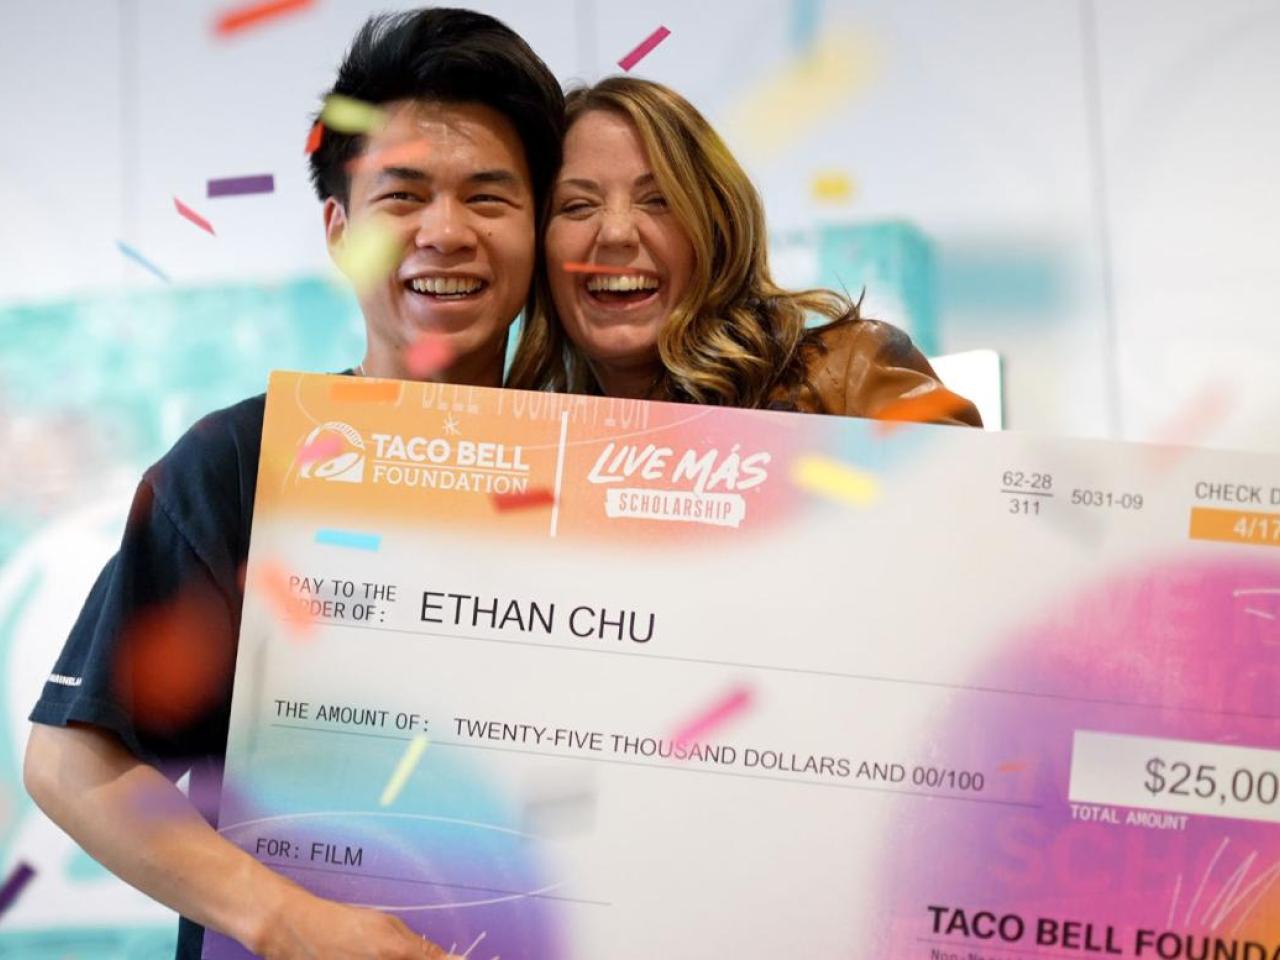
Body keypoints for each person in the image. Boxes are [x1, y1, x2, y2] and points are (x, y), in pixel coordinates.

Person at [23, 8, 564, 959]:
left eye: (489, 198)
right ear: (339, 229)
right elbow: (73, 761)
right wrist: (290, 922)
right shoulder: (242, 461)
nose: (445, 233)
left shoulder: (605, 478)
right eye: (403, 197)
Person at [507, 76, 982, 426]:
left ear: (716, 229)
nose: (614, 233)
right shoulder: (532, 442)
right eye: (577, 205)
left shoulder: (850, 375)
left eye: (659, 200)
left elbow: (987, 533)